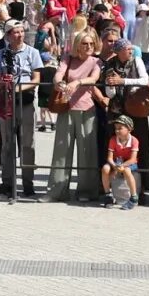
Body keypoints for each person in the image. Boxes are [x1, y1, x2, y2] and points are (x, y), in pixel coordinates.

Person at [0, 21, 44, 198]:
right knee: (7, 144)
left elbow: (36, 78)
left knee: (28, 144)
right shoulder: (0, 54)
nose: (20, 35)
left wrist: (19, 88)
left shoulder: (33, 52)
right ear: (8, 35)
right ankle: (8, 182)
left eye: (22, 32)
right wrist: (3, 84)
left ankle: (28, 183)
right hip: (7, 102)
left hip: (26, 102)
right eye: (15, 32)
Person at [48, 31, 101, 203]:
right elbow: (58, 74)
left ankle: (86, 190)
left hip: (87, 110)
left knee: (87, 152)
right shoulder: (67, 58)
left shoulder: (96, 61)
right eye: (85, 44)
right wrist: (59, 83)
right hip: (67, 108)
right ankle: (57, 190)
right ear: (78, 44)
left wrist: (77, 82)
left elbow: (94, 79)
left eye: (91, 44)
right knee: (61, 151)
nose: (89, 47)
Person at [102, 115, 139, 208]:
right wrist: (114, 166)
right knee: (105, 169)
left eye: (120, 128)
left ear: (129, 129)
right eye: (115, 128)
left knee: (126, 170)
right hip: (116, 162)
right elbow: (110, 157)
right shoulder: (113, 140)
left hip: (129, 163)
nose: (117, 130)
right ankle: (108, 194)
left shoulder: (134, 141)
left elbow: (133, 159)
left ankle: (134, 197)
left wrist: (122, 166)